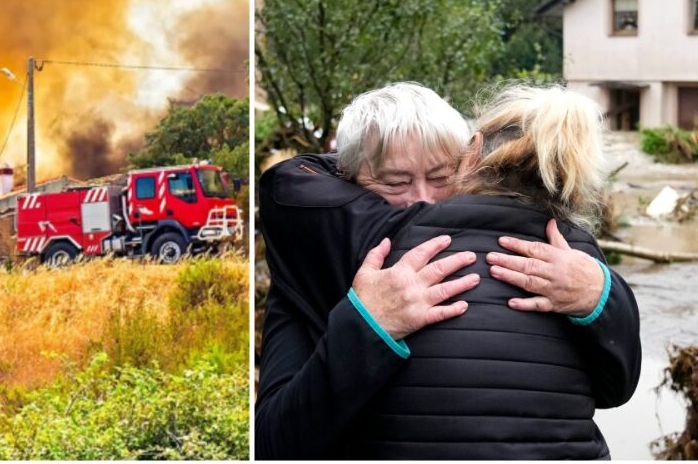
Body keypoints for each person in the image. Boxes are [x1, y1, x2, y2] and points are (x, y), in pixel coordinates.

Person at [256, 83, 640, 459]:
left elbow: (612, 389)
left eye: (441, 178)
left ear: (470, 161)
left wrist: (599, 294)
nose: (421, 200)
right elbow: (274, 444)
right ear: (344, 178)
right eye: (394, 181)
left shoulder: (563, 259)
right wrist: (368, 325)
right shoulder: (313, 258)